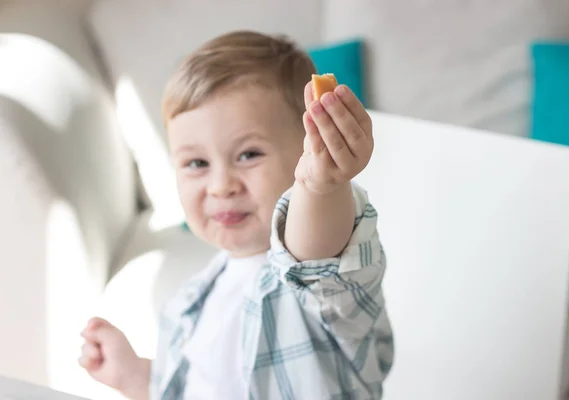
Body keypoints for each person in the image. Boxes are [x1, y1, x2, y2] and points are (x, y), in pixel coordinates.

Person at [79, 30, 394, 400]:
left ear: (305, 153)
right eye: (197, 163)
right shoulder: (190, 305)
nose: (220, 185)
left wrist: (319, 184)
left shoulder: (315, 285)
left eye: (248, 155)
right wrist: (137, 378)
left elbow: (317, 257)